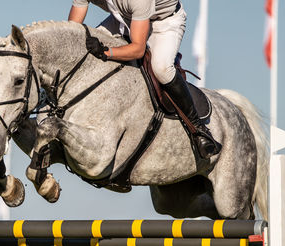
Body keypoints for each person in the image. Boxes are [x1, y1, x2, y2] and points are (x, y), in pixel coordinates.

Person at [68, 0, 221, 159]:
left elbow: (138, 49)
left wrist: (106, 52)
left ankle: (198, 129)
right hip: (126, 16)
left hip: (164, 22)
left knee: (162, 69)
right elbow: (72, 31)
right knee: (85, 48)